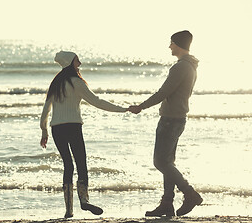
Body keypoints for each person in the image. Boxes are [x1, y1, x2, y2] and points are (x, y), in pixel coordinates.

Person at [40, 51, 128, 218]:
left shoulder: (55, 84)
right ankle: (84, 201)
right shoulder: (76, 83)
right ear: (70, 62)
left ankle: (69, 210)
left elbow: (45, 111)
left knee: (68, 164)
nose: (79, 64)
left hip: (56, 129)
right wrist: (123, 109)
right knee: (81, 163)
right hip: (73, 127)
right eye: (77, 60)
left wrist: (44, 131)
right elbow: (97, 102)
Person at [129, 30, 203, 217]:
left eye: (171, 43)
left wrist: (141, 106)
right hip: (177, 118)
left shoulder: (180, 67)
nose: (169, 46)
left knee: (160, 161)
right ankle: (167, 203)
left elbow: (163, 92)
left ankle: (189, 193)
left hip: (170, 120)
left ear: (178, 44)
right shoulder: (190, 66)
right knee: (168, 162)